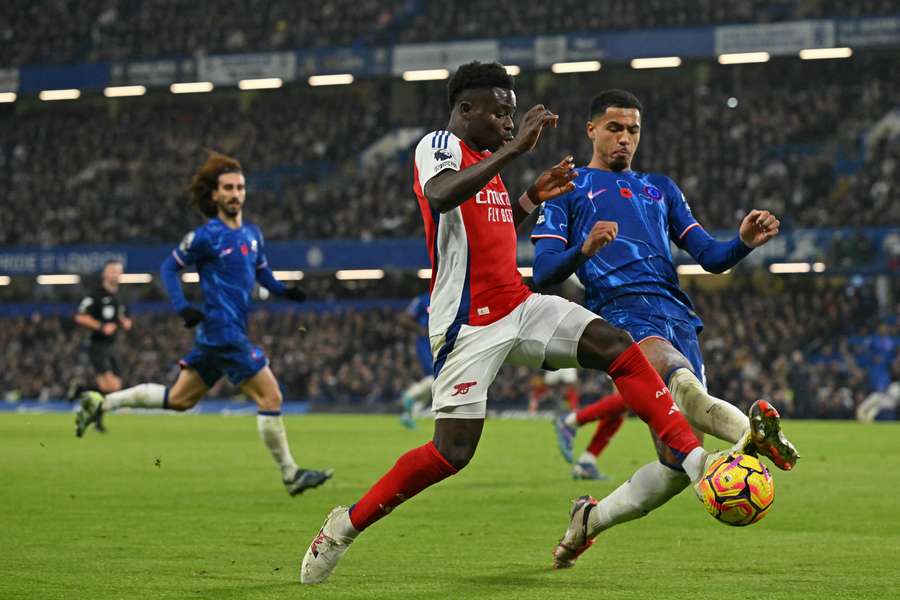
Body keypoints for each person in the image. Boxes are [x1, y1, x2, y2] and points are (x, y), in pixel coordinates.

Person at [301, 62, 734, 584]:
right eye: (500, 113)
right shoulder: (438, 145)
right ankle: (344, 526)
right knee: (451, 452)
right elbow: (441, 196)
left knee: (616, 344)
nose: (509, 123)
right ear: (465, 111)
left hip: (517, 303)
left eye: (512, 115)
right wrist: (516, 151)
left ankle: (693, 460)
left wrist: (529, 197)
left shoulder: (489, 161)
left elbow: (490, 217)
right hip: (467, 322)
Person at [529, 89, 799, 568]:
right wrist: (585, 250)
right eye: (614, 128)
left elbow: (711, 258)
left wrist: (741, 243)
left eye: (633, 130)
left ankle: (587, 522)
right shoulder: (568, 189)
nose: (624, 139)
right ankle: (750, 434)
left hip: (676, 313)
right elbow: (545, 270)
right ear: (591, 130)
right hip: (619, 314)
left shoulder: (661, 189)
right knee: (679, 379)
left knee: (673, 465)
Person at [75, 152, 333, 497]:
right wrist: (182, 307)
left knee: (179, 399)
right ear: (214, 195)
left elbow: (262, 275)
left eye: (240, 187)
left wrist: (286, 291)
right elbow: (169, 268)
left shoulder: (253, 235)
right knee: (271, 395)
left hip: (224, 334)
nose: (235, 194)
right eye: (227, 188)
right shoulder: (205, 236)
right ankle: (290, 474)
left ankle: (102, 403)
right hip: (221, 331)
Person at [72, 259, 133, 433]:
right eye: (113, 271)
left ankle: (82, 391)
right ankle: (98, 423)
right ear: (105, 274)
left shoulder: (120, 296)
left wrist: (125, 322)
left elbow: (122, 316)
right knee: (110, 386)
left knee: (114, 386)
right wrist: (100, 326)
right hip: (97, 344)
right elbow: (79, 316)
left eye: (119, 271)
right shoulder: (95, 295)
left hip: (112, 345)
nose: (116, 274)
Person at [399, 292, 432, 429]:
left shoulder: (450, 295)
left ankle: (409, 414)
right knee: (435, 377)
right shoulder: (423, 299)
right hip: (426, 343)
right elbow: (404, 319)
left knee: (435, 382)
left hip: (443, 342)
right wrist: (420, 329)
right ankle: (410, 395)